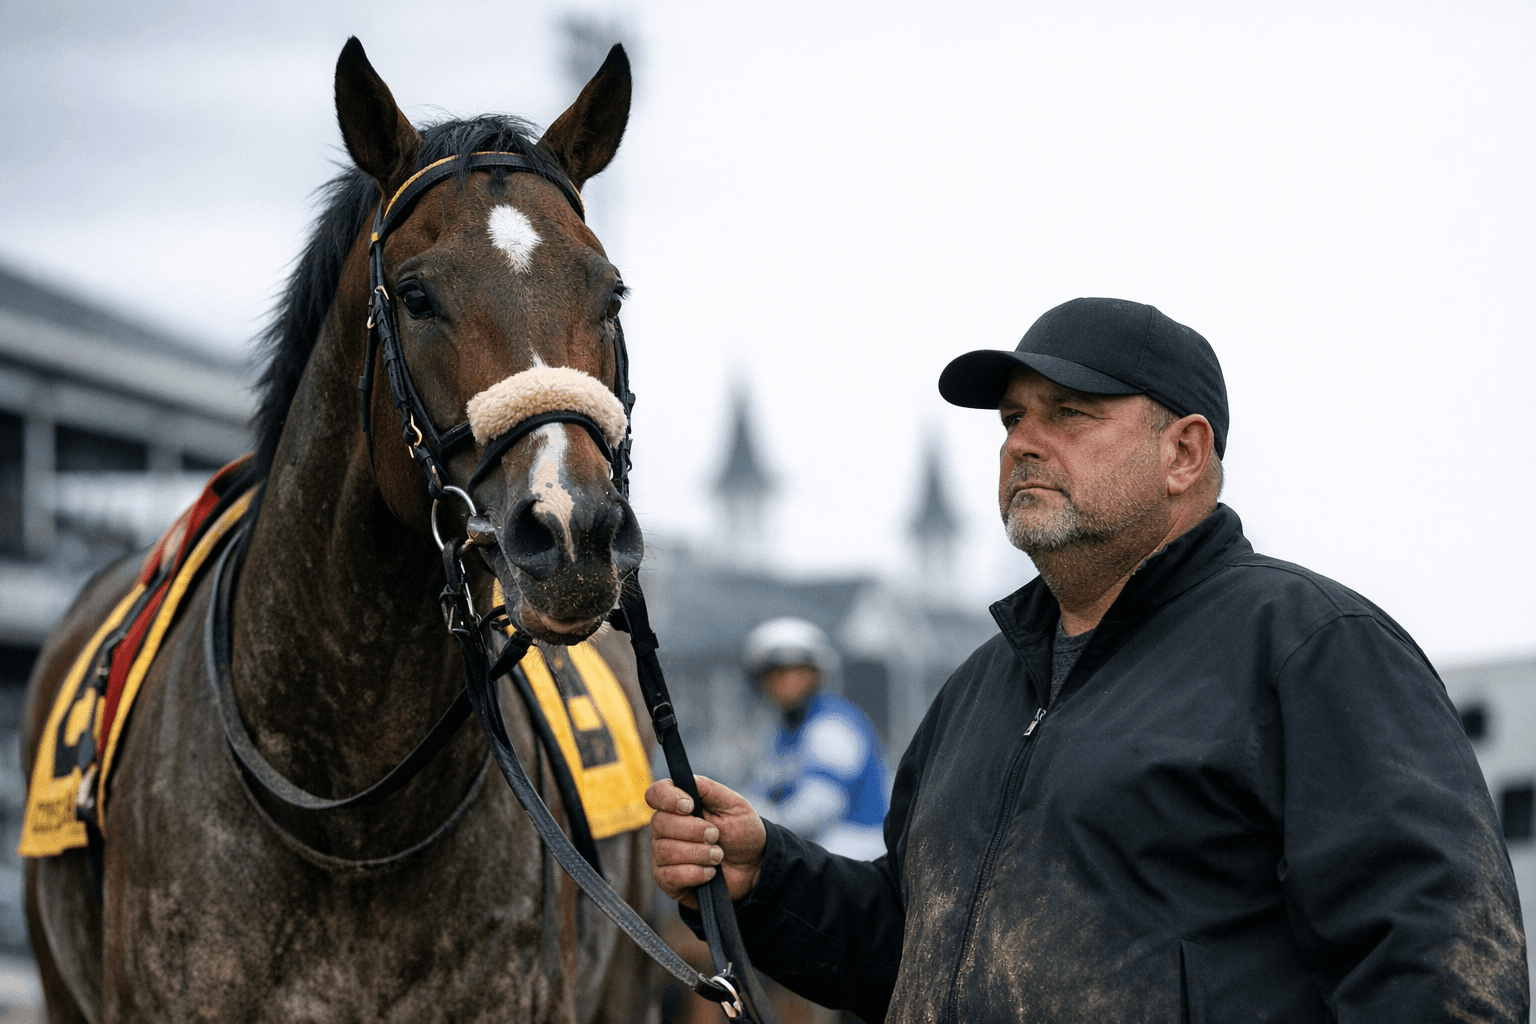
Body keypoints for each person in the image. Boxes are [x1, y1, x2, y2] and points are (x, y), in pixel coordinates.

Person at [647, 297, 1529, 1023]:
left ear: (1183, 453)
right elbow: (914, 956)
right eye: (1012, 420)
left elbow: (1438, 967)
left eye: (1070, 414)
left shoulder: (1312, 646)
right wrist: (767, 880)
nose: (1023, 442)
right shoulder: (974, 691)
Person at [740, 617, 890, 861]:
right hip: (817, 850)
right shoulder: (782, 732)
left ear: (818, 675)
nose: (787, 681)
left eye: (798, 671)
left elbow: (820, 807)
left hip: (858, 849)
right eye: (776, 673)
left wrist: (754, 822)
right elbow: (762, 791)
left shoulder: (833, 723)